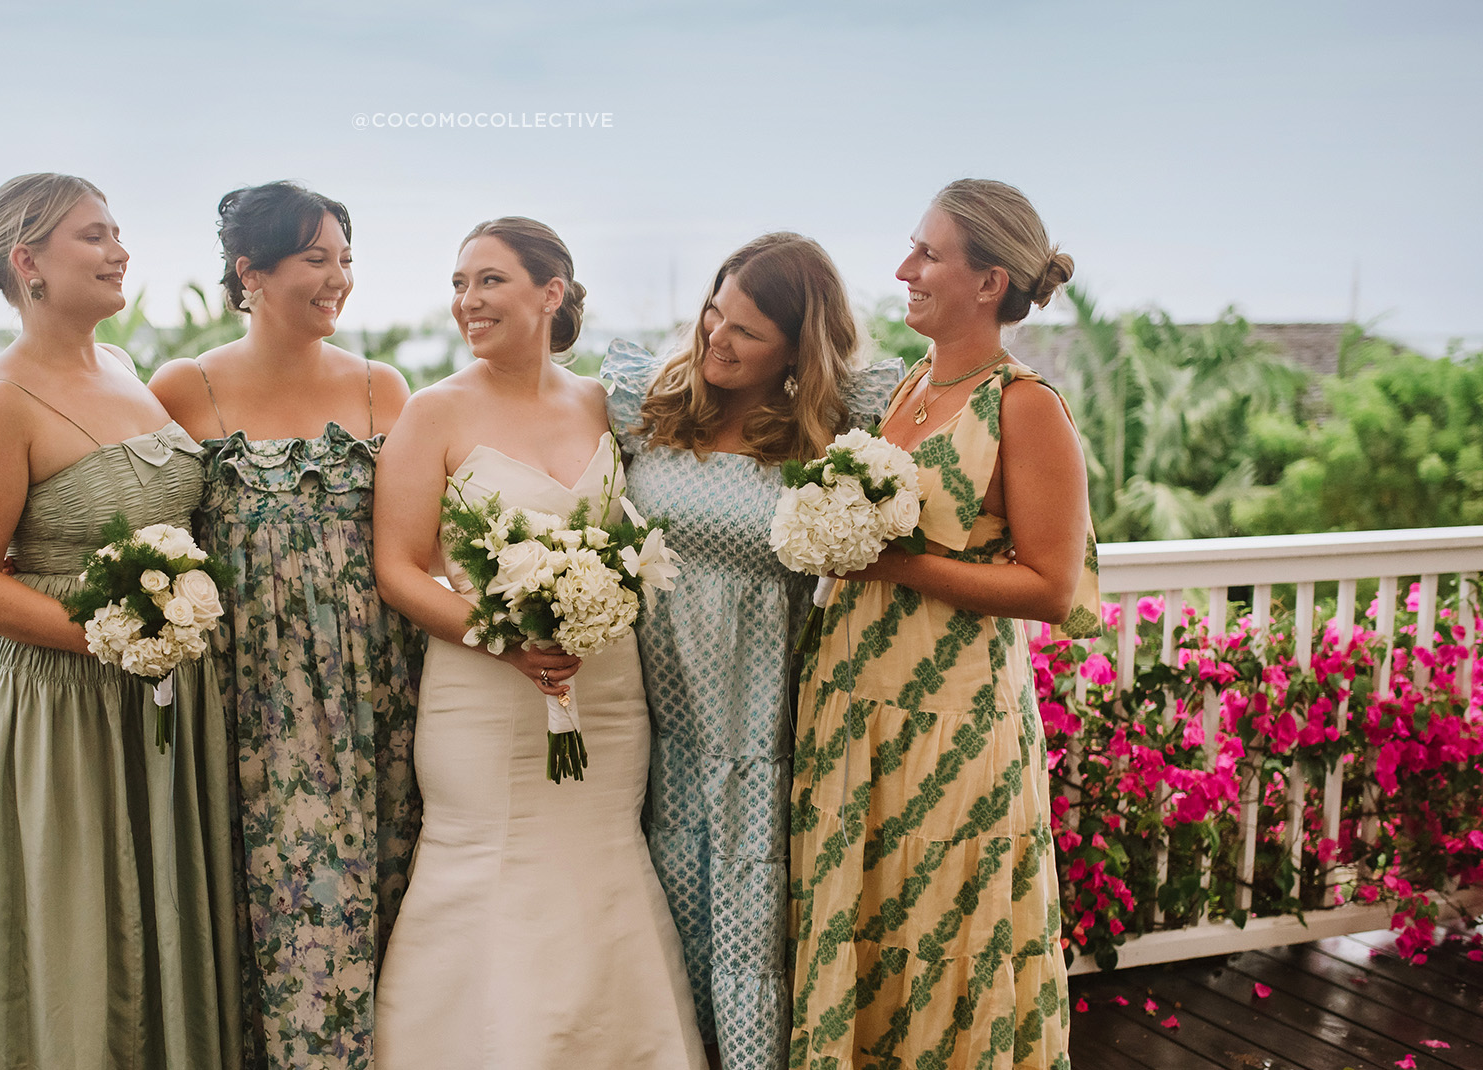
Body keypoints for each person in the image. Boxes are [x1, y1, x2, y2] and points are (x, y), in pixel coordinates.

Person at [371, 216, 706, 1069]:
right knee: (488, 869)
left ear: (550, 293)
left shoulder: (603, 401)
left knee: (600, 865)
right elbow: (400, 571)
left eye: (488, 281)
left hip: (606, 691)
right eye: (458, 285)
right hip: (483, 699)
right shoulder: (432, 412)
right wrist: (502, 638)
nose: (467, 302)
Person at [784, 179, 1100, 1069]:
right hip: (855, 707)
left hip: (951, 726)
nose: (904, 269)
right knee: (867, 928)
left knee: (943, 935)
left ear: (990, 281)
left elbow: (1050, 584)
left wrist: (883, 562)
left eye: (928, 254)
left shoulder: (1026, 406)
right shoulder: (912, 384)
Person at [0, 173, 240, 1070]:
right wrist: (117, 636)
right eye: (95, 237)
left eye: (118, 233)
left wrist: (166, 639)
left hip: (159, 694)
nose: (120, 253)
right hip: (62, 705)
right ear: (28, 262)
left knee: (159, 922)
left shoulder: (123, 370)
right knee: (79, 935)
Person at [603, 232, 902, 1069]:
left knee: (749, 919)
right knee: (659, 907)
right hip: (651, 718)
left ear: (797, 351)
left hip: (762, 727)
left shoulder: (836, 433)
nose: (715, 338)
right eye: (713, 311)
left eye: (746, 331)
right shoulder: (645, 402)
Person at [149, 181, 419, 1070]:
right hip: (249, 693)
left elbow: (421, 541)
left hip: (379, 687)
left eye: (345, 259)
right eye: (316, 259)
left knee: (389, 891)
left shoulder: (385, 388)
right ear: (250, 271)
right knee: (273, 903)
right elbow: (148, 540)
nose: (338, 277)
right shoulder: (184, 389)